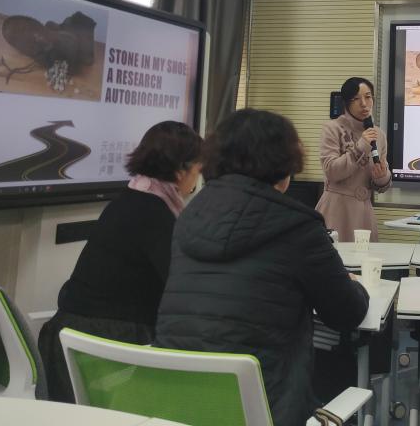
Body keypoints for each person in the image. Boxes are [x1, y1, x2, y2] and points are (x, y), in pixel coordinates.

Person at [155, 108, 369, 426]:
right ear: (284, 165)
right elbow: (347, 313)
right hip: (264, 409)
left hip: (176, 406)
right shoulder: (298, 226)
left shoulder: (189, 214)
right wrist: (357, 285)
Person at [37, 121, 203, 403]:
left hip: (70, 340)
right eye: (198, 171)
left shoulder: (129, 199)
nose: (196, 182)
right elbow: (181, 288)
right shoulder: (155, 214)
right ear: (180, 171)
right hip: (106, 349)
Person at [316, 76, 392, 242]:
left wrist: (381, 177)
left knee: (365, 257)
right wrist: (360, 147)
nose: (364, 104)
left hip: (364, 213)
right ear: (346, 103)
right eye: (356, 99)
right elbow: (331, 171)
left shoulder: (379, 134)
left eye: (368, 97)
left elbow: (382, 182)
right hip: (336, 210)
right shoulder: (332, 128)